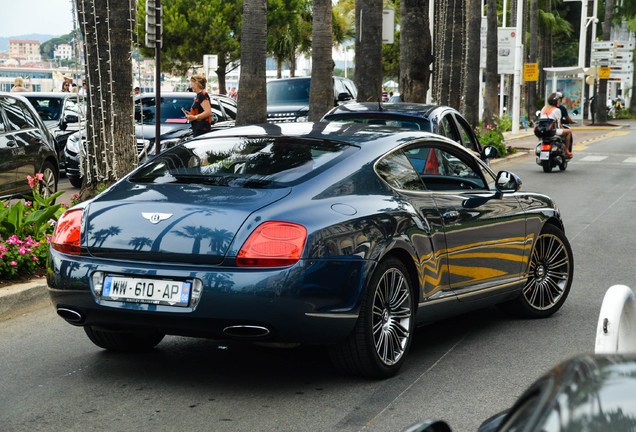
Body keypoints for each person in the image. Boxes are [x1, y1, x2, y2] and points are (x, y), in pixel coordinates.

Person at [540, 92, 572, 158]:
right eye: (559, 101)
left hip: (543, 131)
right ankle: (566, 151)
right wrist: (563, 129)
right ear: (556, 101)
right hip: (553, 131)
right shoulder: (557, 110)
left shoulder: (544, 108)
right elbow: (559, 125)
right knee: (569, 132)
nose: (560, 102)